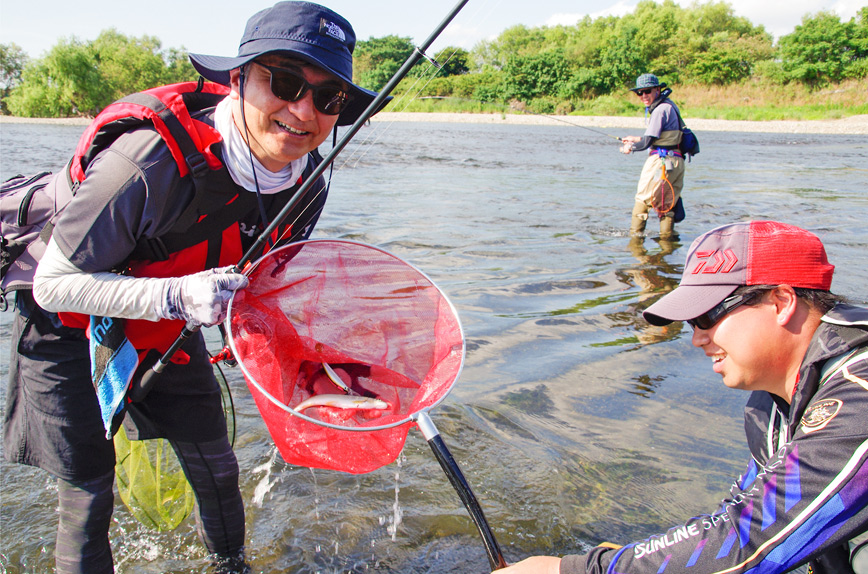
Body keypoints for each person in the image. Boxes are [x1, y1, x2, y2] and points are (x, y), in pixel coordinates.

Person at [3, 2, 383, 573]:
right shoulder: (145, 161)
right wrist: (178, 297)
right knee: (87, 494)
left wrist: (315, 369)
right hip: (67, 324)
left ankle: (231, 567)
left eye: (329, 98)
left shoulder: (309, 184)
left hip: (166, 328)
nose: (303, 111)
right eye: (282, 82)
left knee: (216, 464)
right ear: (238, 79)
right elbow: (56, 285)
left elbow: (260, 291)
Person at [500, 220, 868, 574]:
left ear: (782, 301)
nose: (696, 338)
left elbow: (747, 542)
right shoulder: (770, 403)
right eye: (692, 323)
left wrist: (573, 570)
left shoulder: (859, 391)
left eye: (708, 316)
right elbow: (740, 513)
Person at [619, 73, 686, 239]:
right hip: (676, 161)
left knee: (642, 200)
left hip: (661, 162)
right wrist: (636, 139)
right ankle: (667, 247)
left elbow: (647, 143)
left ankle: (635, 242)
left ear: (657, 89)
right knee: (667, 203)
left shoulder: (660, 110)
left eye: (647, 91)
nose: (643, 96)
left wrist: (630, 147)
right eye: (639, 93)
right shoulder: (670, 106)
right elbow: (664, 138)